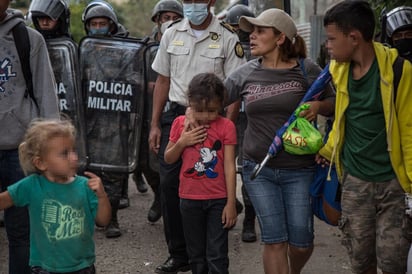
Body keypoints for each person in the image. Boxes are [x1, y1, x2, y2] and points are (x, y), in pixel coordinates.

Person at [224, 8, 335, 274]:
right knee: (274, 241)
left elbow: (334, 103)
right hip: (257, 169)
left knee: (301, 243)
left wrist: (318, 106)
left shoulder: (307, 69)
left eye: (260, 31)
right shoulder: (245, 72)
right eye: (251, 32)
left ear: (280, 38)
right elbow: (215, 99)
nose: (252, 37)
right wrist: (194, 108)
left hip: (300, 169)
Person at [149, 0, 246, 272]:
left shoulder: (227, 37)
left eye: (198, 0)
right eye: (187, 0)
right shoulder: (171, 33)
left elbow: (235, 87)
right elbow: (163, 81)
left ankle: (211, 252)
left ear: (211, 2)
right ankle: (180, 255)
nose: (192, 5)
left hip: (213, 118)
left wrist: (227, 125)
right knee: (170, 183)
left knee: (210, 178)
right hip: (177, 117)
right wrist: (155, 124)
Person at [317, 1, 412, 274]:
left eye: (332, 39)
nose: (328, 46)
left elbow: (408, 129)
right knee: (360, 260)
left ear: (354, 38)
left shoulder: (399, 70)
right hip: (355, 180)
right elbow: (343, 118)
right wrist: (327, 150)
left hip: (393, 182)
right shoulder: (338, 70)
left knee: (393, 260)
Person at [0, 119, 111, 274]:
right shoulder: (31, 186)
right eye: (64, 153)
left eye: (74, 150)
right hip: (45, 268)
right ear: (41, 163)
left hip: (82, 267)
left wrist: (102, 196)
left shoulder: (84, 186)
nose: (73, 158)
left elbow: (103, 221)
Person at [0, 1, 60, 273]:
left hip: (20, 151)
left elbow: (46, 94)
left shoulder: (27, 38)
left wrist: (52, 150)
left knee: (20, 230)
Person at [164, 72, 237, 274]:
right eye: (199, 110)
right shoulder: (180, 124)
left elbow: (229, 165)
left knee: (217, 255)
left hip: (218, 200)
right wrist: (183, 142)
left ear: (222, 104)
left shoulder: (227, 127)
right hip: (188, 199)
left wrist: (231, 203)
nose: (205, 116)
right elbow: (168, 158)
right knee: (196, 255)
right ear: (189, 103)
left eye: (212, 111)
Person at [125, 0, 184, 225]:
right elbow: (132, 73)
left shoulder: (183, 42)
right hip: (146, 112)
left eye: (173, 17)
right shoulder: (145, 47)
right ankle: (159, 195)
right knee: (144, 160)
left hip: (176, 111)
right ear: (157, 20)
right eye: (164, 17)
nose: (168, 21)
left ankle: (174, 203)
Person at [82, 0, 128, 238]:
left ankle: (112, 220)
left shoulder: (122, 51)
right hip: (87, 121)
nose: (98, 27)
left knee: (113, 172)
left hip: (113, 120)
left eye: (102, 23)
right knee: (84, 170)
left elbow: (134, 82)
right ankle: (88, 216)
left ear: (111, 26)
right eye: (94, 24)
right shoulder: (81, 51)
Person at [224, 3, 257, 243]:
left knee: (248, 171)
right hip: (226, 117)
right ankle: (229, 205)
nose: (239, 32)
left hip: (250, 119)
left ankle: (249, 221)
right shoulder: (224, 47)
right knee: (217, 165)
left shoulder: (258, 51)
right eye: (234, 27)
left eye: (241, 27)